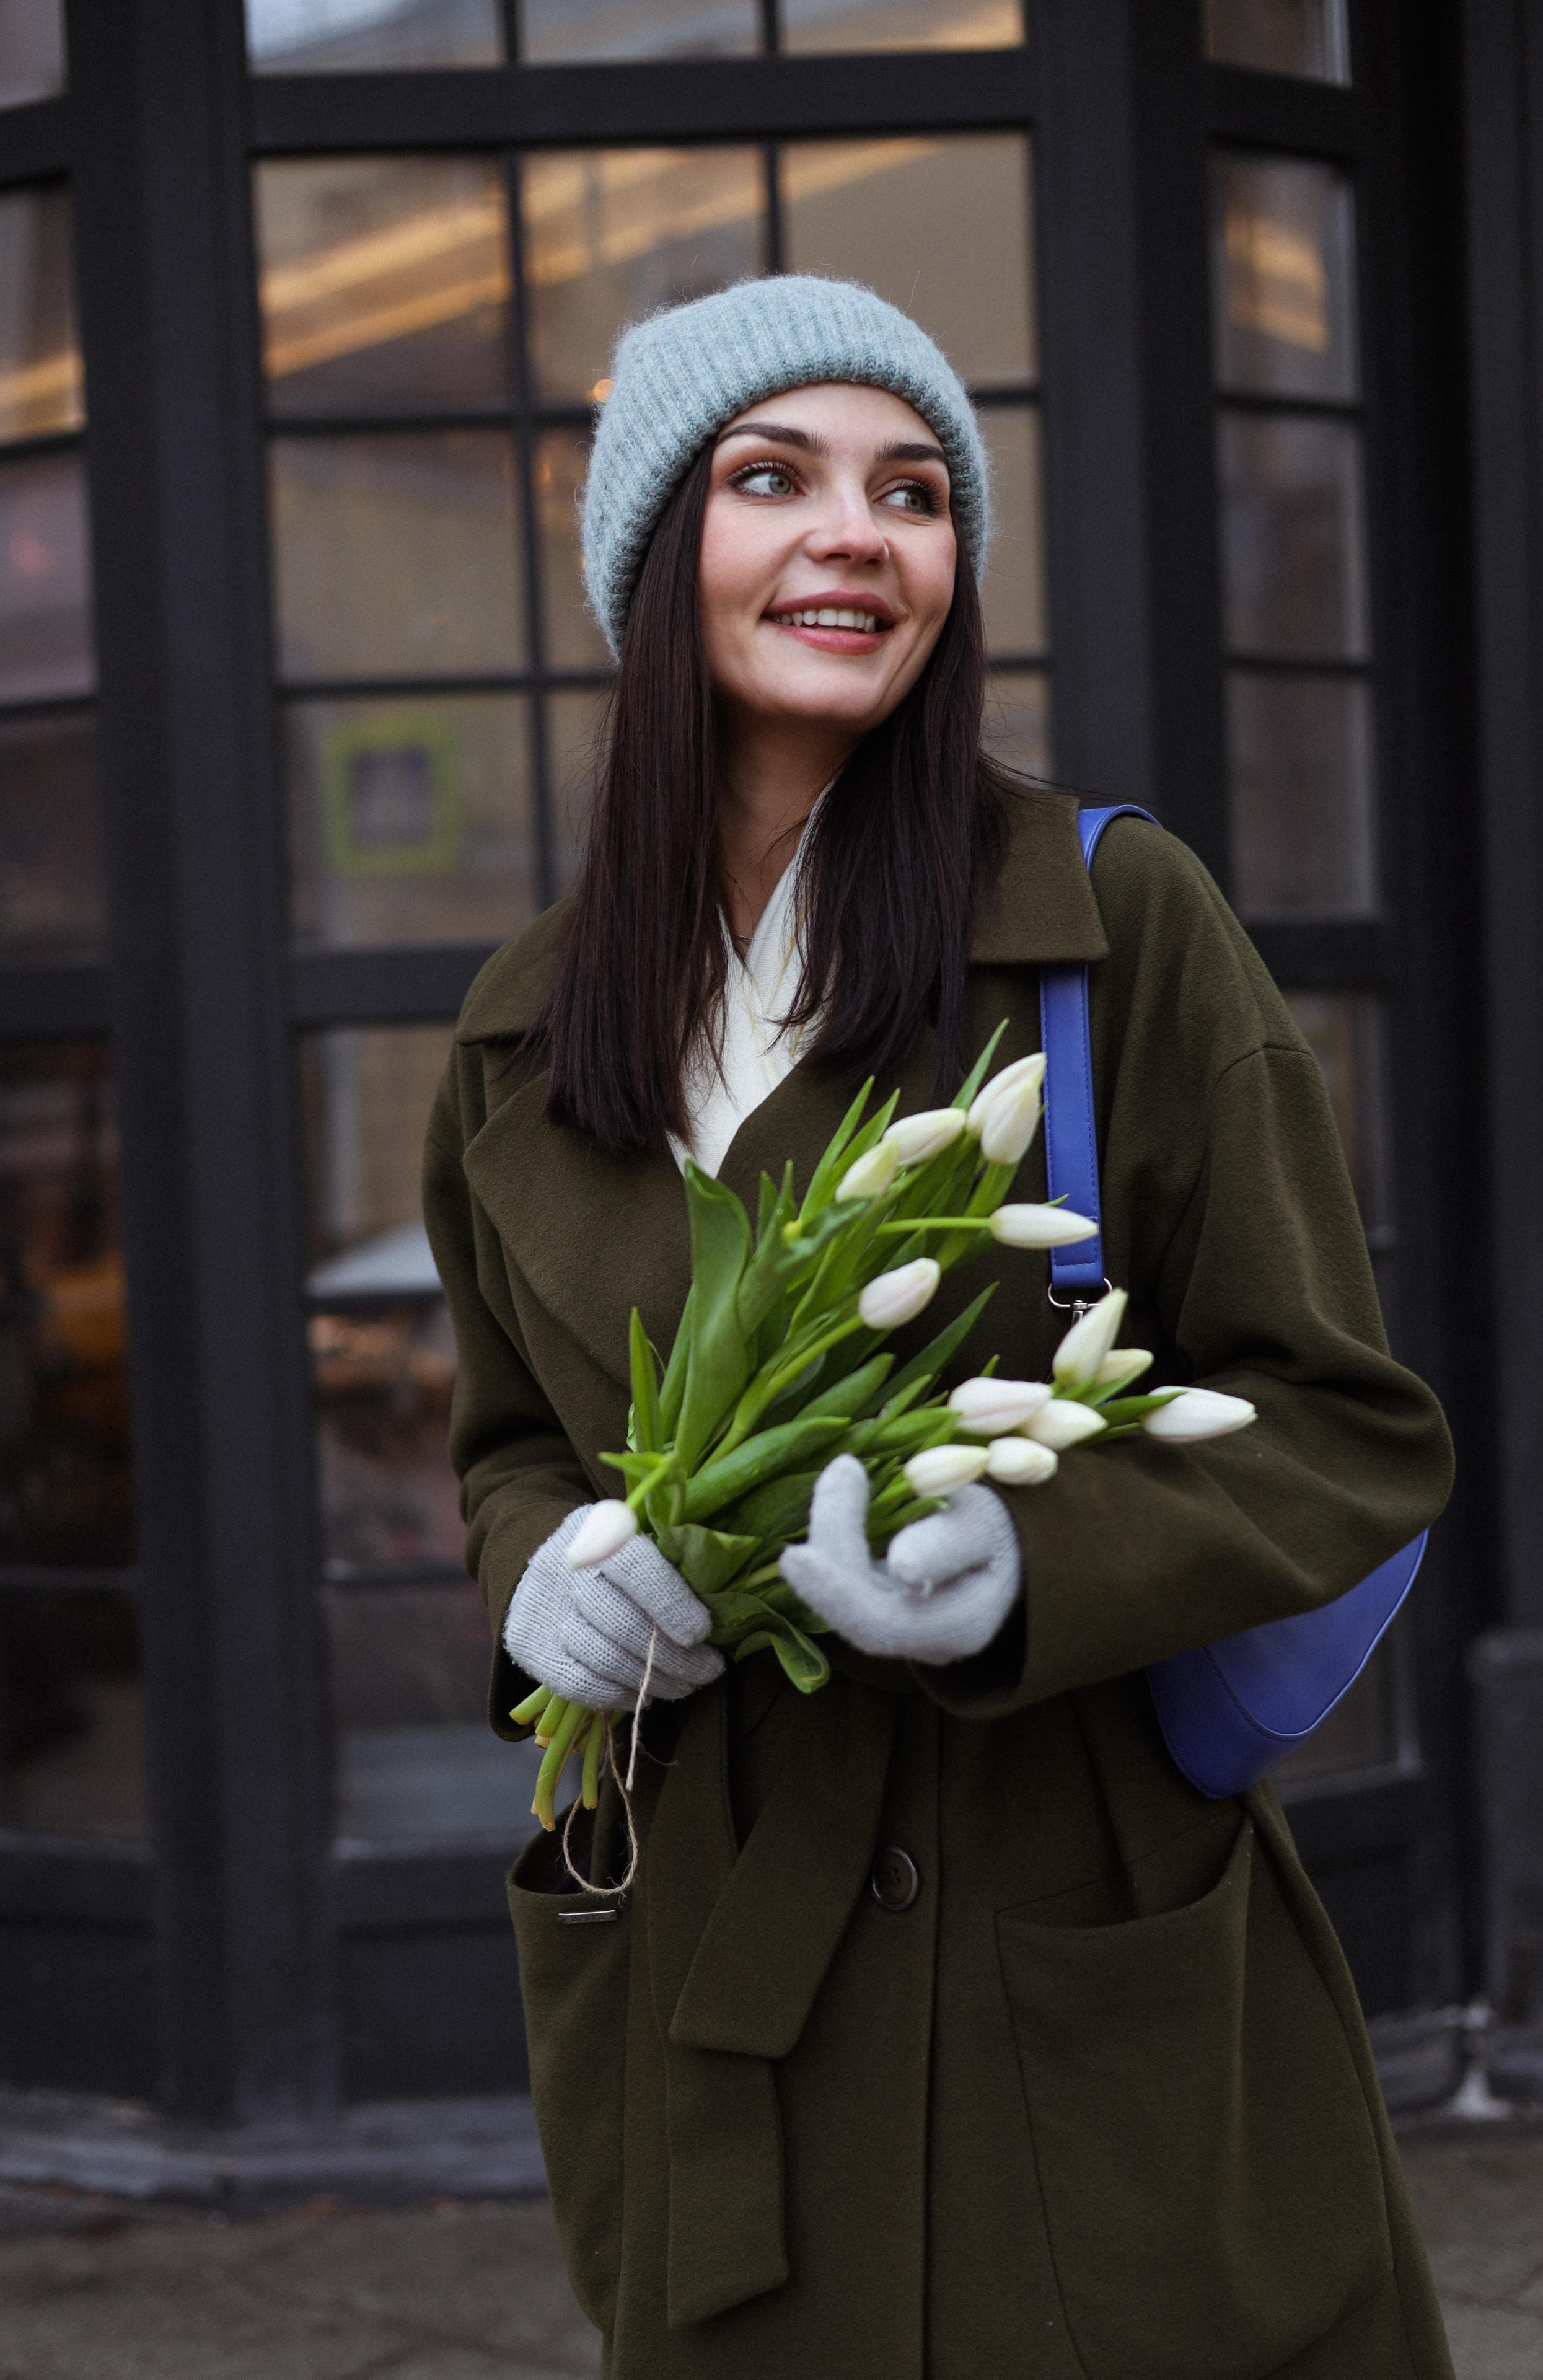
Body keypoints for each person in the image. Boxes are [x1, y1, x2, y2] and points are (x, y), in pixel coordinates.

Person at [423, 275, 1456, 2380]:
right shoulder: (527, 1023)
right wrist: (548, 1576)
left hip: (1062, 1936)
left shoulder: (1106, 926)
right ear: (652, 556)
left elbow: (1345, 1423)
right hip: (714, 1953)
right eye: (769, 478)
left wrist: (1030, 1559)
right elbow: (507, 1444)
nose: (854, 535)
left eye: (914, 491)